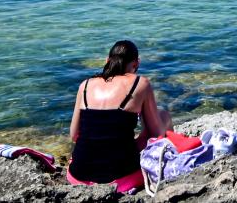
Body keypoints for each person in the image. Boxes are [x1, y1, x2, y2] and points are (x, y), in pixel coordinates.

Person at [68, 40, 173, 191]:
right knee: (164, 115)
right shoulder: (140, 83)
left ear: (107, 61)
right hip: (122, 178)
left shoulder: (84, 85)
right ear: (136, 64)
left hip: (78, 176)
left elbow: (74, 135)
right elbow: (156, 134)